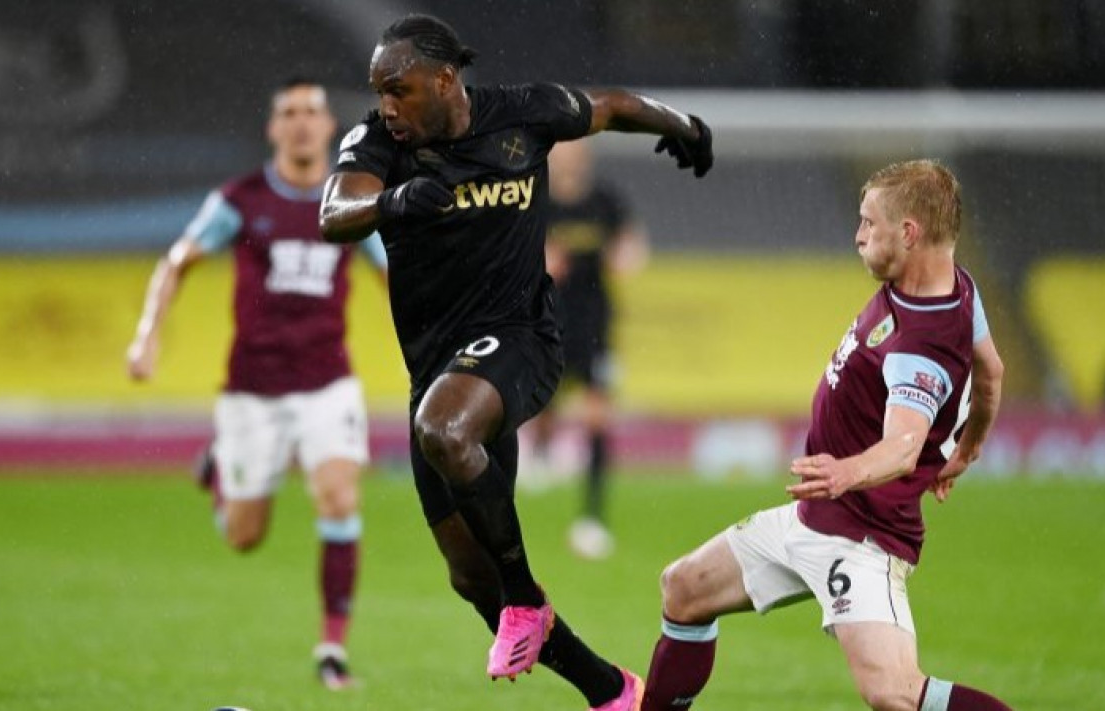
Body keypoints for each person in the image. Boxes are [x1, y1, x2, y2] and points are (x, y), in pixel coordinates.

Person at [318, 14, 712, 711]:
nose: (387, 105)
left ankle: (526, 598)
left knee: (444, 431)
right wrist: (394, 201)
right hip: (439, 371)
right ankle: (611, 692)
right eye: (379, 91)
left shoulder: (522, 114)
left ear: (445, 79)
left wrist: (683, 126)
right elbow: (334, 212)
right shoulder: (379, 141)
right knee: (472, 578)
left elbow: (611, 106)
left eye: (398, 89)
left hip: (521, 339)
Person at [640, 160, 1012, 711]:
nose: (858, 236)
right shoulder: (958, 286)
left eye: (869, 223)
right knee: (685, 587)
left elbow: (904, 447)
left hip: (860, 537)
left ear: (909, 232)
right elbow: (992, 371)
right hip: (813, 516)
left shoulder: (921, 343)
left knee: (893, 692)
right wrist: (970, 446)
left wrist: (847, 471)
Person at [126, 77, 387, 691]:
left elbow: (395, 275)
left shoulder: (353, 202)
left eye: (311, 111)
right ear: (274, 129)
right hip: (253, 389)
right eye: (289, 113)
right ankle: (221, 468)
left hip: (327, 380)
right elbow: (177, 262)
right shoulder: (239, 200)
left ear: (329, 126)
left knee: (339, 498)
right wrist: (147, 335)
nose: (301, 122)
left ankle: (332, 650)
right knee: (244, 537)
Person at [525, 139, 649, 560]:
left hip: (595, 325)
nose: (569, 156)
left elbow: (633, 246)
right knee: (544, 403)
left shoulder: (605, 201)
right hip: (547, 322)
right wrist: (539, 262)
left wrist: (625, 255)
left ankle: (592, 517)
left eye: (575, 149)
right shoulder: (537, 202)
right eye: (562, 149)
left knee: (598, 417)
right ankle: (540, 451)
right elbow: (514, 254)